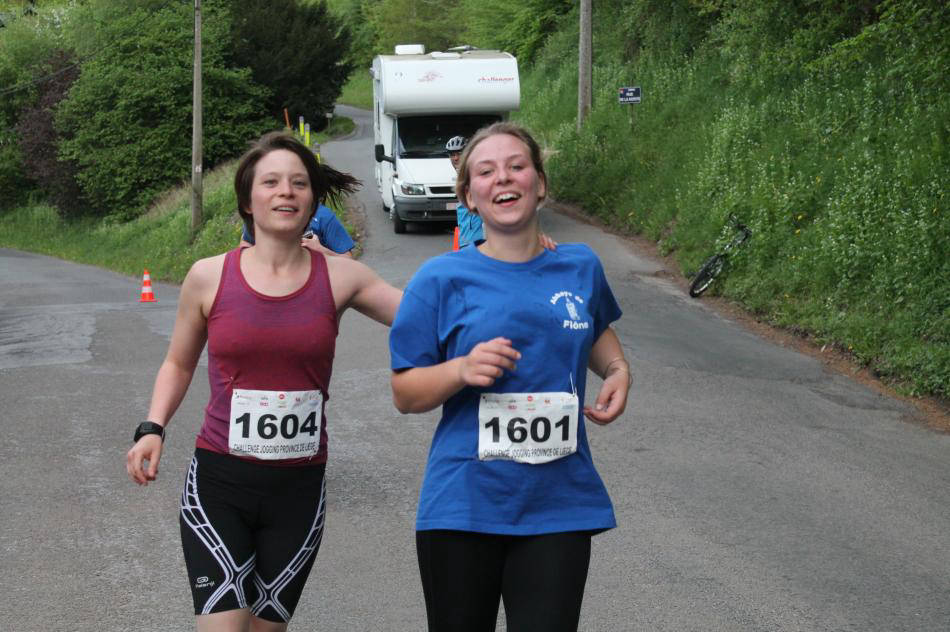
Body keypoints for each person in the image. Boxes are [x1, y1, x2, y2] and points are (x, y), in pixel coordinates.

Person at [126, 131, 401, 632]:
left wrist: (512, 247)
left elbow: (427, 317)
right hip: (219, 482)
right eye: (271, 181)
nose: (286, 192)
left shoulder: (343, 277)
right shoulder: (208, 276)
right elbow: (179, 363)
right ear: (247, 199)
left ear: (313, 200)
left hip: (299, 490)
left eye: (299, 183)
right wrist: (152, 426)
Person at [390, 122, 631, 632]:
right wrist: (460, 369)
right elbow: (405, 394)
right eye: (486, 171)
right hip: (463, 506)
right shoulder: (439, 279)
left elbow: (596, 327)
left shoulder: (579, 266)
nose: (504, 178)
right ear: (470, 197)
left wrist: (617, 369)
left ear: (540, 184)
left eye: (517, 166)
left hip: (559, 506)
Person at [240, 202, 355, 258]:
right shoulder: (261, 215)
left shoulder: (323, 216)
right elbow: (245, 245)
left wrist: (321, 250)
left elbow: (348, 260)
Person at [446, 135, 483, 249]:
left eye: (459, 154)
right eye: (452, 155)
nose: (456, 158)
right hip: (465, 240)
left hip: (478, 240)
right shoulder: (461, 178)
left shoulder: (475, 175)